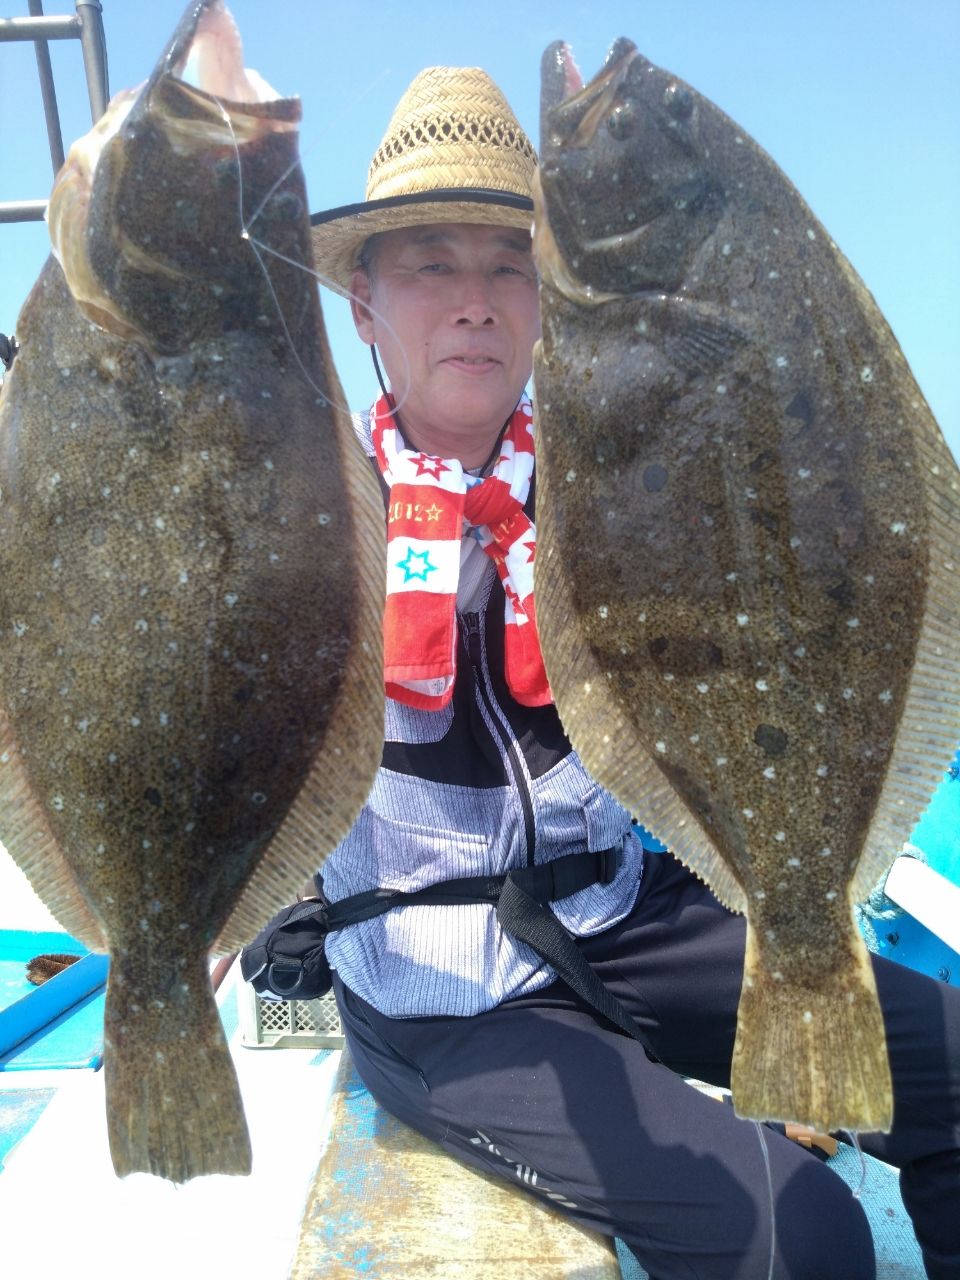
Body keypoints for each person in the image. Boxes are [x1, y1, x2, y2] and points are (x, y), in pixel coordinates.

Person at [306, 66, 960, 1280]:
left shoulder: (623, 481)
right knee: (803, 1234)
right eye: (432, 265)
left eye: (512, 264)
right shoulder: (308, 510)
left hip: (625, 914)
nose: (476, 303)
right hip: (445, 988)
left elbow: (799, 548)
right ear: (363, 301)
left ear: (555, 296)